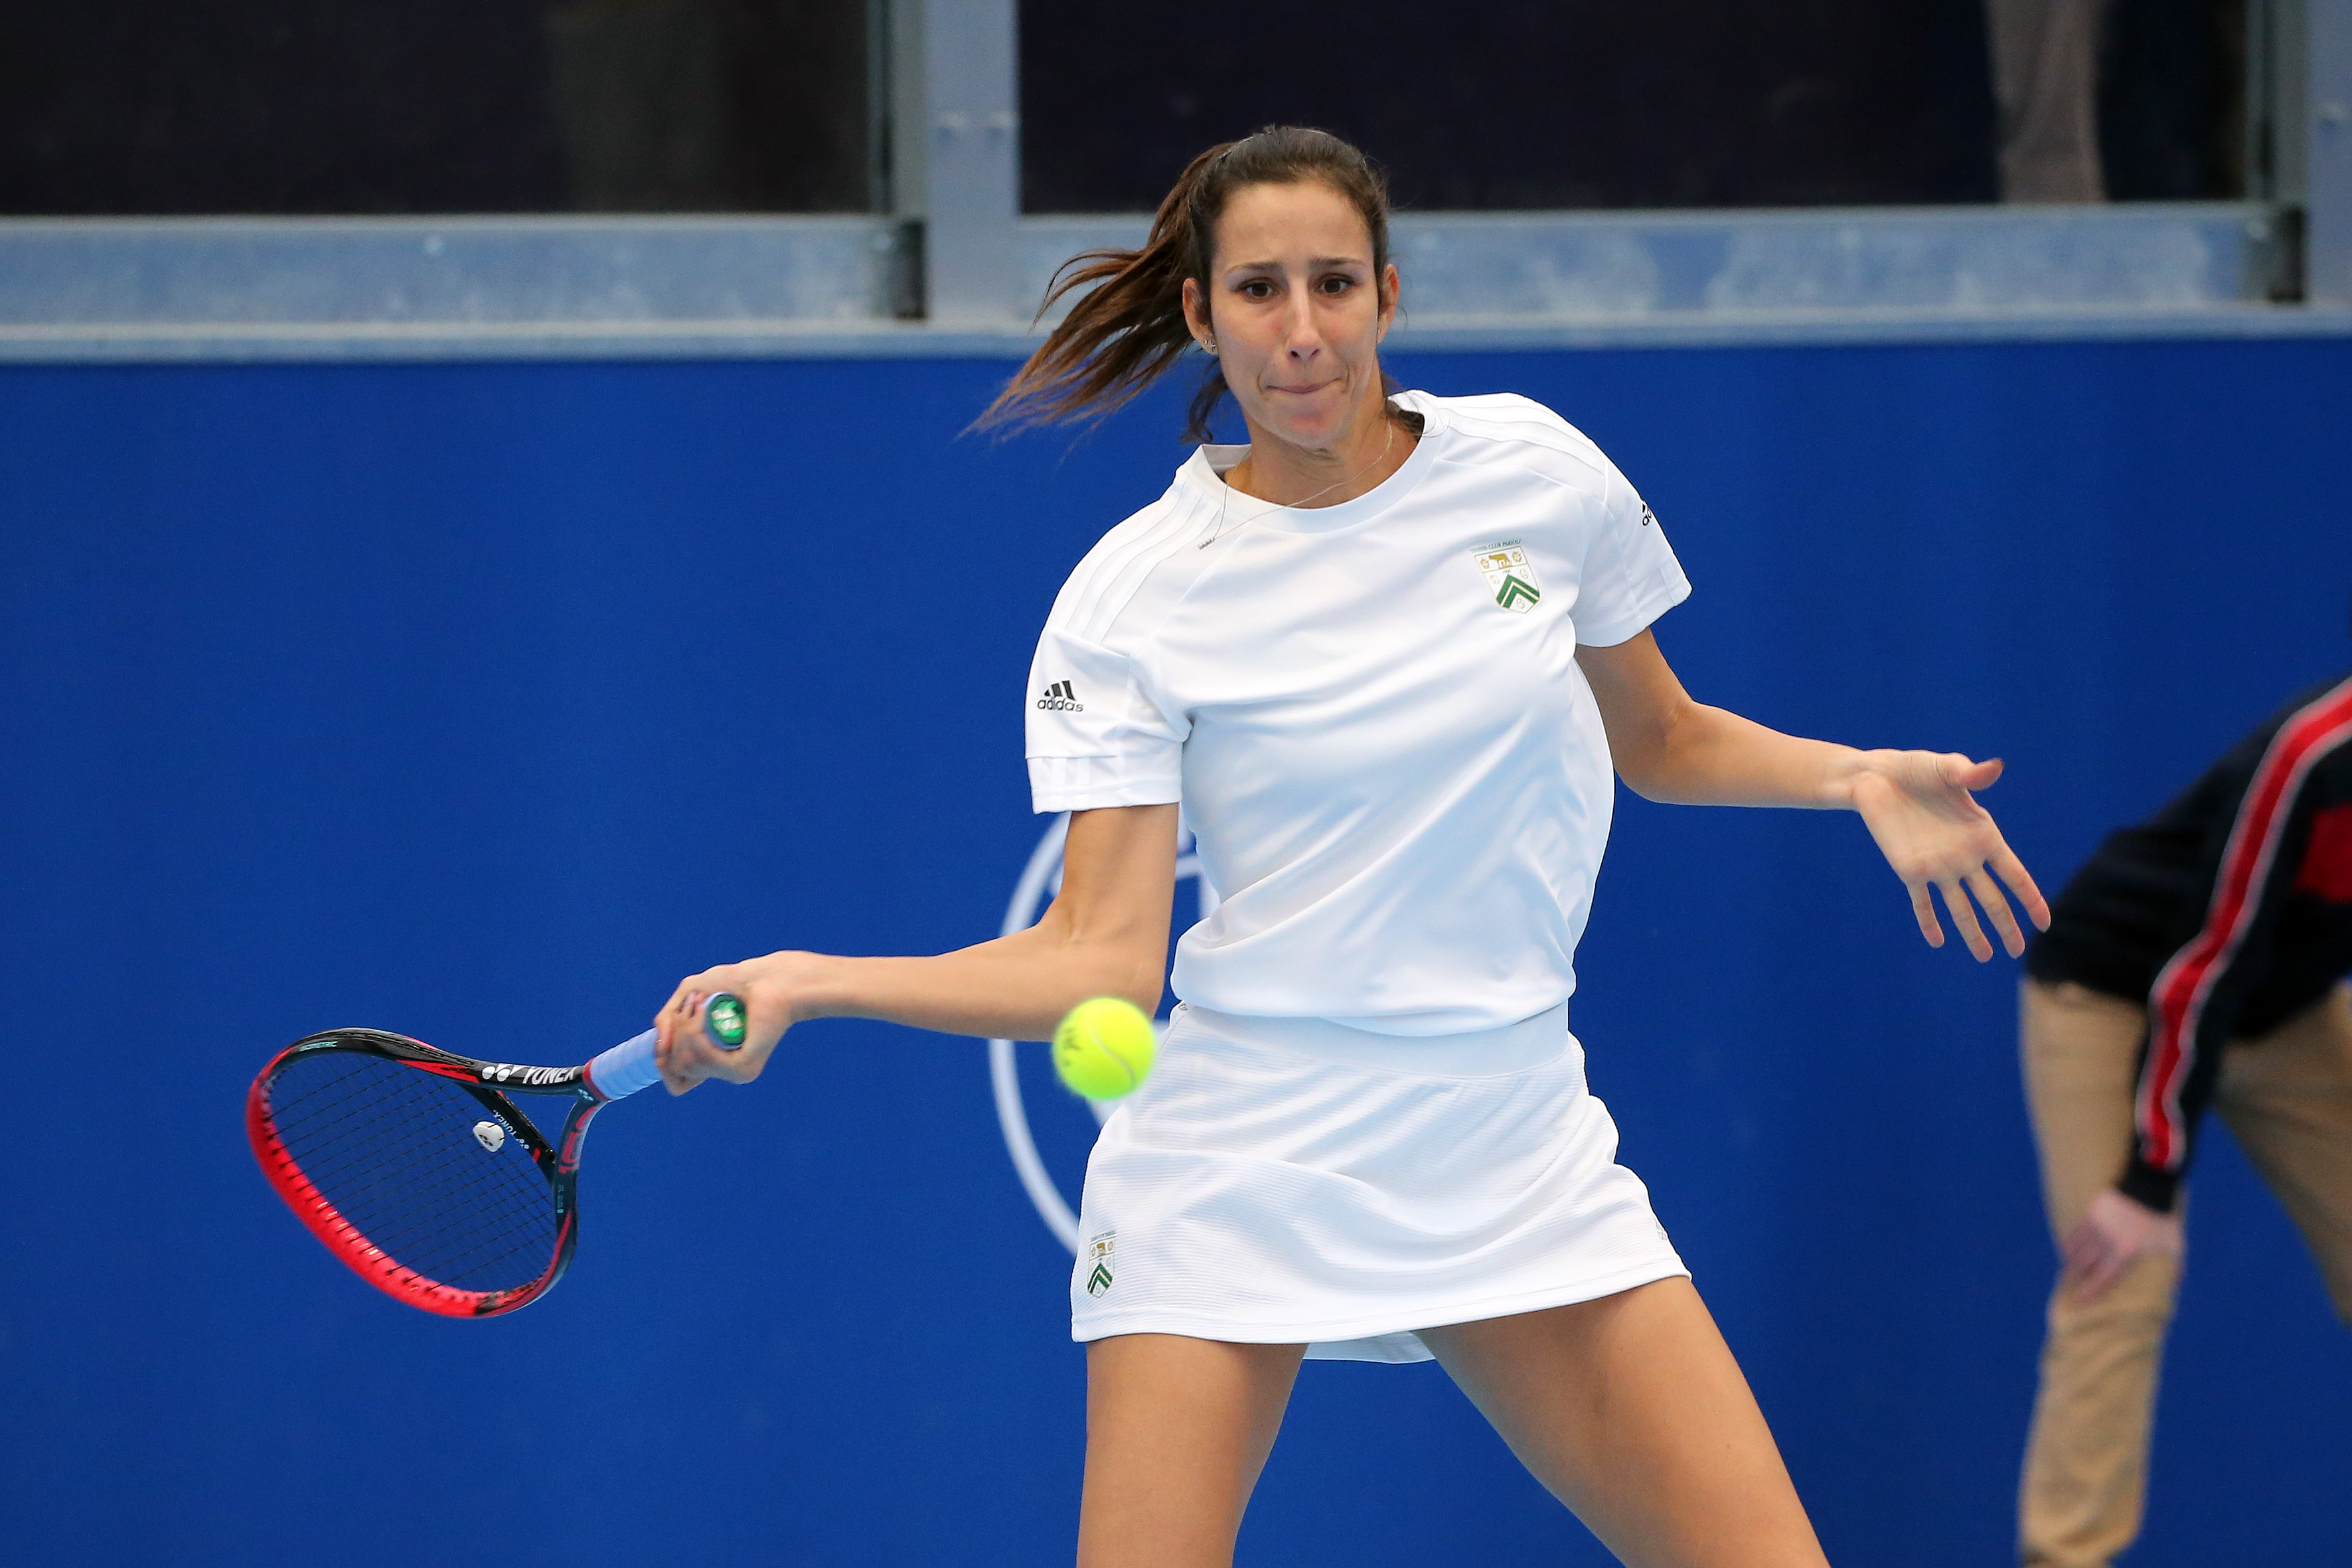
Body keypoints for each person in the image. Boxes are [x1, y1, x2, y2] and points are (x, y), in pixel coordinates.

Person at [651, 126, 2049, 1568]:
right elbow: (1099, 960)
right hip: (1238, 1154)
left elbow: (1663, 739)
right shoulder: (1132, 597)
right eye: (1257, 290)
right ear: (1201, 315)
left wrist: (1854, 776)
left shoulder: (1536, 474)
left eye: (1332, 284)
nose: (1301, 332)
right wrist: (812, 980)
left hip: (1510, 1135)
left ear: (1387, 294)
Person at [2017, 663, 2352, 1568]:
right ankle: (2065, 1556)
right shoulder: (2313, 758)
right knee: (2121, 1271)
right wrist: (2148, 1178)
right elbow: (2206, 968)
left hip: (2284, 1008)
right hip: (2119, 990)